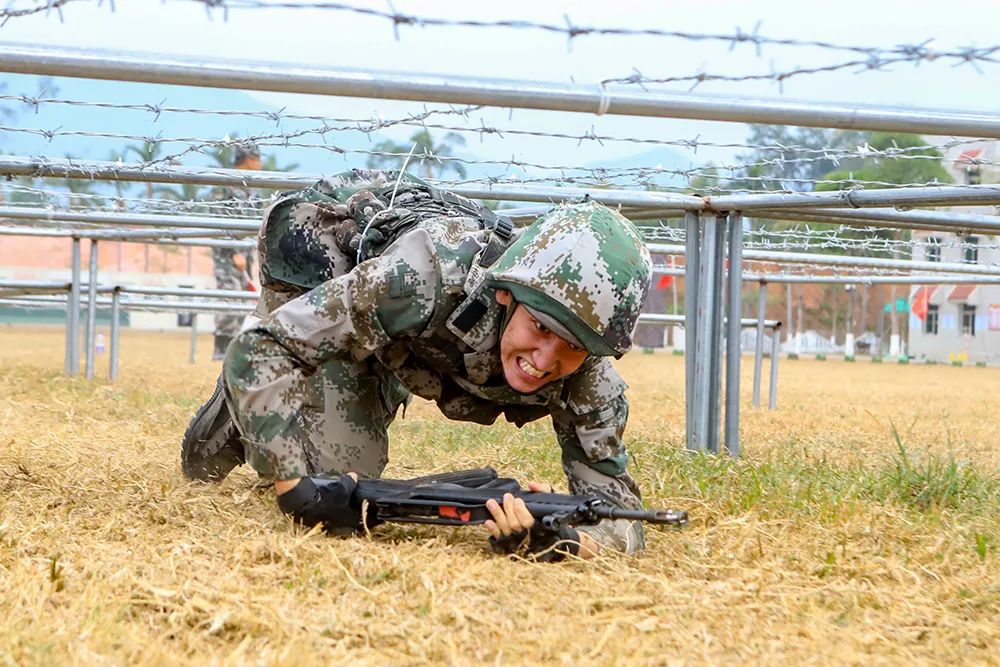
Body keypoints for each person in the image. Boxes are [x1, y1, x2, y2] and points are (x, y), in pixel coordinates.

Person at [182, 170, 652, 560]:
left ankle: (356, 377)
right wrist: (291, 485)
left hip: (404, 330)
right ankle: (255, 397)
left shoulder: (591, 381)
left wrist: (564, 539)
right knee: (319, 488)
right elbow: (261, 347)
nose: (545, 361)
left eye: (573, 347)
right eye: (542, 329)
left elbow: (621, 522)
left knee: (351, 491)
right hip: (324, 251)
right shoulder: (422, 277)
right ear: (508, 296)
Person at [211, 143, 261, 360]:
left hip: (246, 255)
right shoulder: (227, 187)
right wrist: (233, 252)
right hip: (228, 258)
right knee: (229, 302)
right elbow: (218, 220)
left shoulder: (252, 189)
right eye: (257, 159)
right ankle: (220, 350)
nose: (260, 164)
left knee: (242, 304)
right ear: (248, 159)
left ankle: (232, 350)